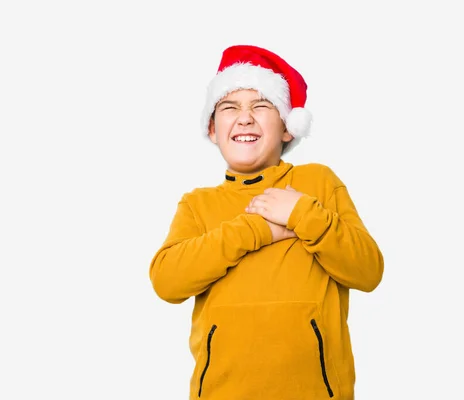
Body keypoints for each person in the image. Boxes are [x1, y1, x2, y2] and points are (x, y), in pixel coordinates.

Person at [149, 44, 384, 400]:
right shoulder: (198, 204)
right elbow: (167, 282)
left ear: (288, 127)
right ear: (213, 129)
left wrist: (303, 213)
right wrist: (257, 229)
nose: (245, 117)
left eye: (261, 105)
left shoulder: (318, 183)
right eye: (229, 107)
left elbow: (368, 271)